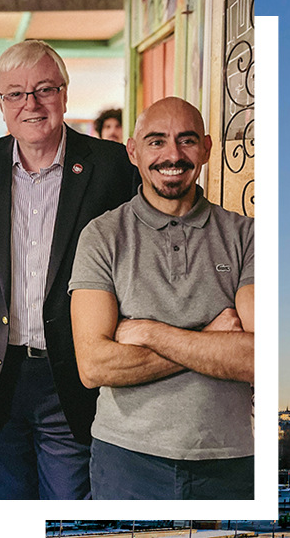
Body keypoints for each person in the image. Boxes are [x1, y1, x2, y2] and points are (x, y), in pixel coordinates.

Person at [0, 39, 136, 499]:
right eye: (15, 93)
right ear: (1, 103)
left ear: (64, 94)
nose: (30, 104)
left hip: (72, 377)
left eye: (44, 89)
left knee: (68, 507)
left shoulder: (112, 166)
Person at [70, 96, 255, 499]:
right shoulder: (101, 237)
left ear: (206, 148)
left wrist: (150, 333)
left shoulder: (248, 236)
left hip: (230, 460)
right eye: (156, 141)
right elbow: (93, 366)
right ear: (133, 152)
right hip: (125, 460)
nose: (172, 155)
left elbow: (257, 358)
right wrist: (209, 338)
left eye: (186, 140)